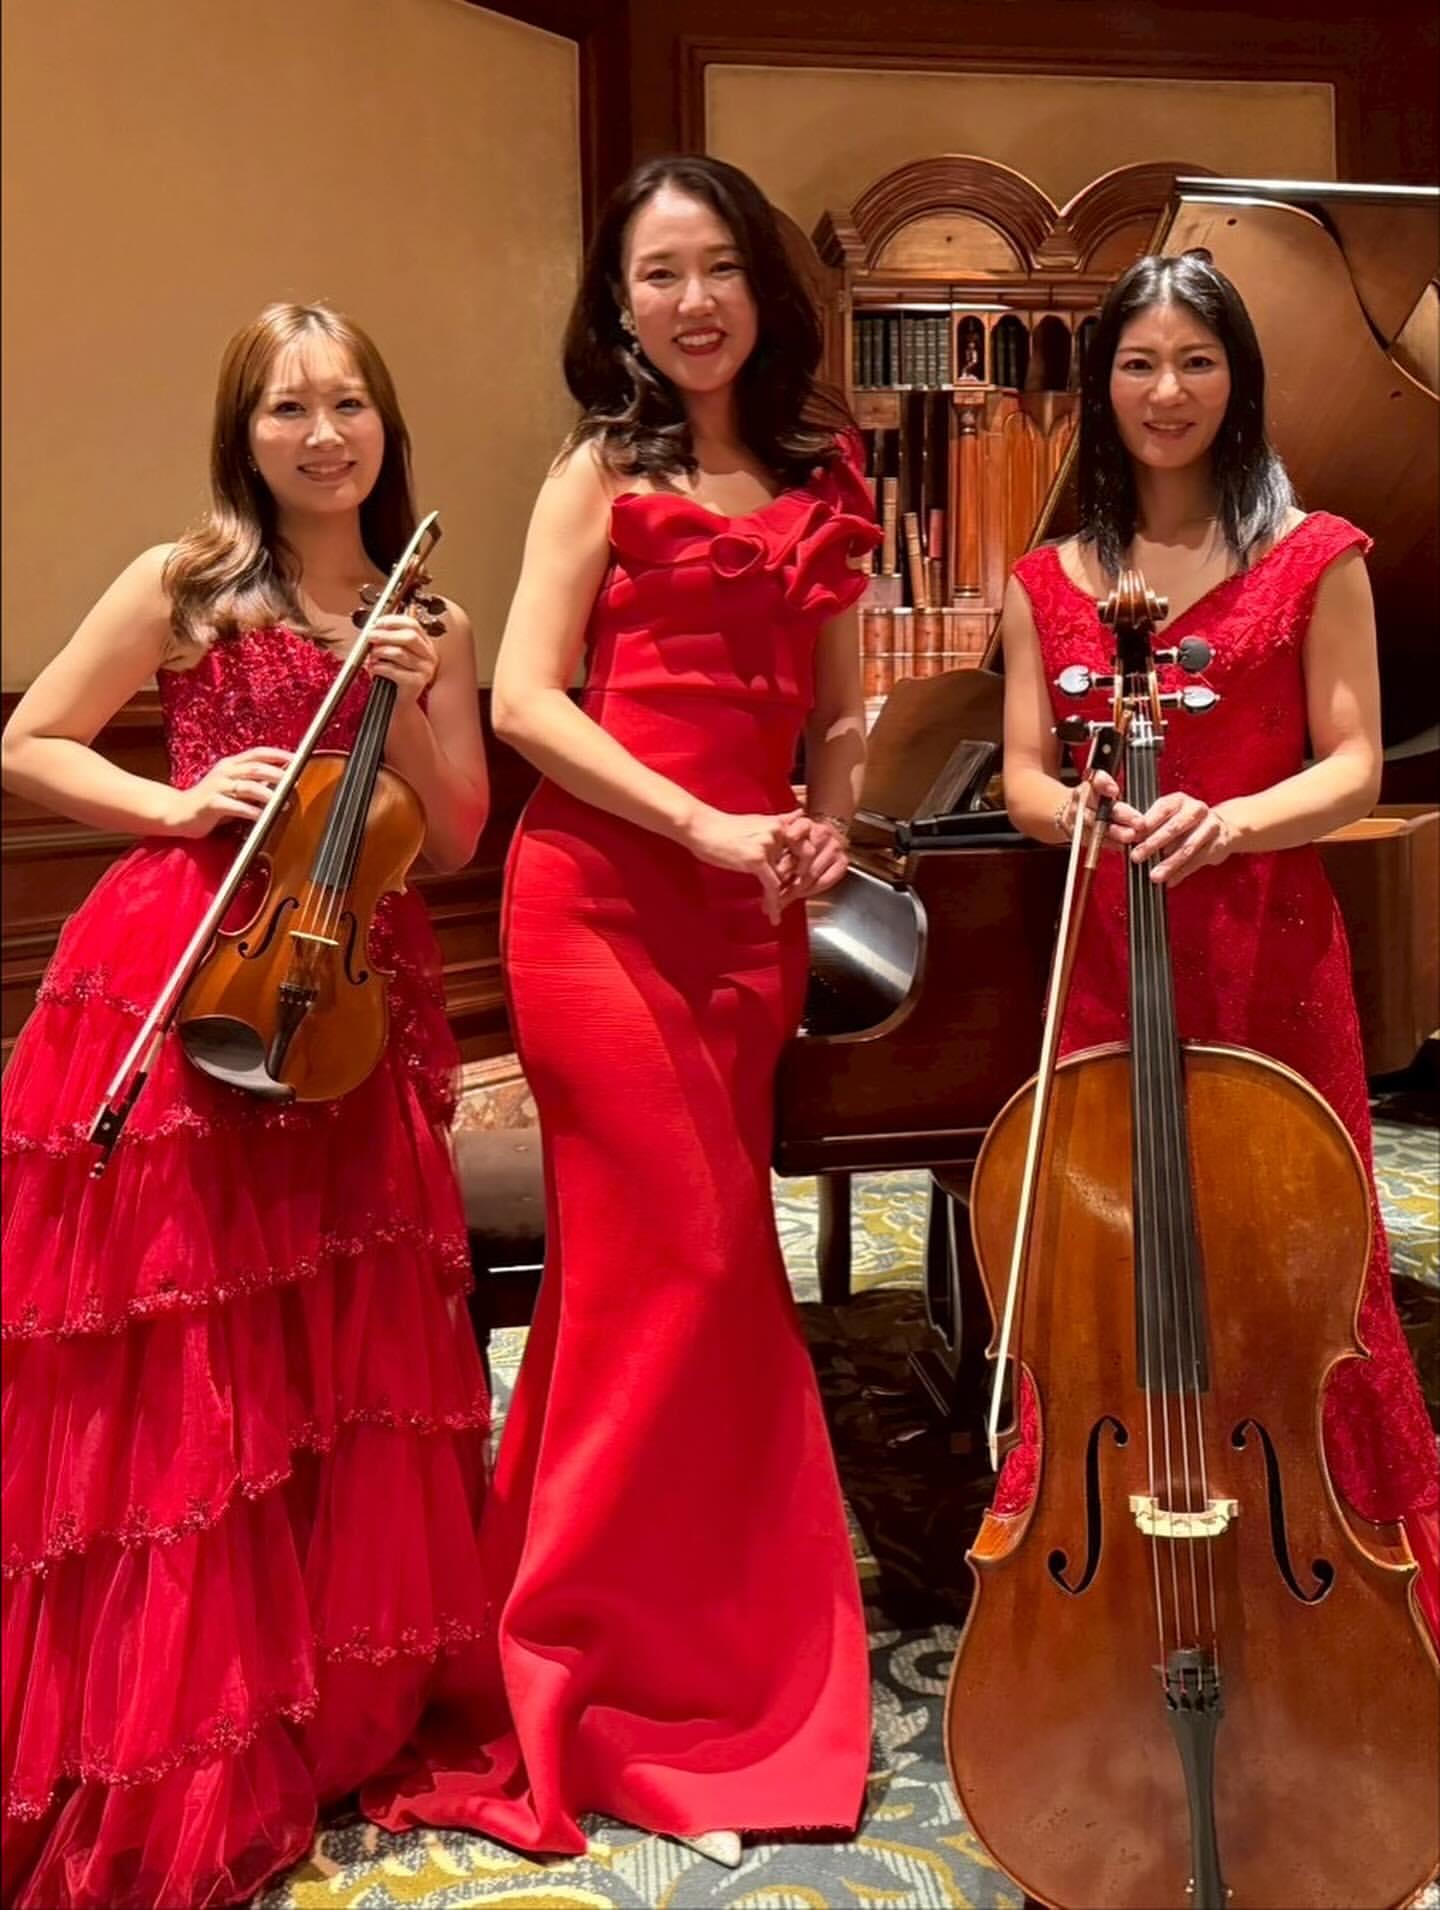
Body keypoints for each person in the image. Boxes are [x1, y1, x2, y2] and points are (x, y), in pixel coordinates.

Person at [365, 155, 881, 1867]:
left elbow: (838, 706)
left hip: (749, 924)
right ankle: (591, 1660)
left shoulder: (824, 479)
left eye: (717, 267)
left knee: (687, 1278)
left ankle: (698, 1649)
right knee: (688, 1269)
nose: (691, 302)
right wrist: (705, 824)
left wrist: (825, 822)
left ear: (762, 289)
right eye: (659, 275)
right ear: (621, 305)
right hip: (596, 904)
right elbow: (524, 700)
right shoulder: (600, 470)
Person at [0, 301, 492, 1909]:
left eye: (348, 403)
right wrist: (176, 798)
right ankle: (194, 1702)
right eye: (287, 408)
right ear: (244, 433)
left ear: (384, 423)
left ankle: (323, 1689)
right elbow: (32, 741)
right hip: (193, 958)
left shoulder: (427, 612)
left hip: (351, 981)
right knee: (197, 1329)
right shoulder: (189, 584)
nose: (322, 435)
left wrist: (407, 696)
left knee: (338, 1327)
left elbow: (460, 831)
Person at [994, 249, 1438, 1636]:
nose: (1167, 390)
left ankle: (1335, 1593)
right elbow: (1023, 774)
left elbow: (1355, 764)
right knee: (1113, 1265)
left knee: (1297, 1267)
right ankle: (1126, 1597)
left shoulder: (1318, 556)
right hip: (1112, 956)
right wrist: (1074, 811)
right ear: (1102, 386)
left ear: (1238, 380)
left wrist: (1234, 820)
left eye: (1196, 361)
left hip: (1268, 959)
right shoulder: (1045, 580)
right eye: (1138, 363)